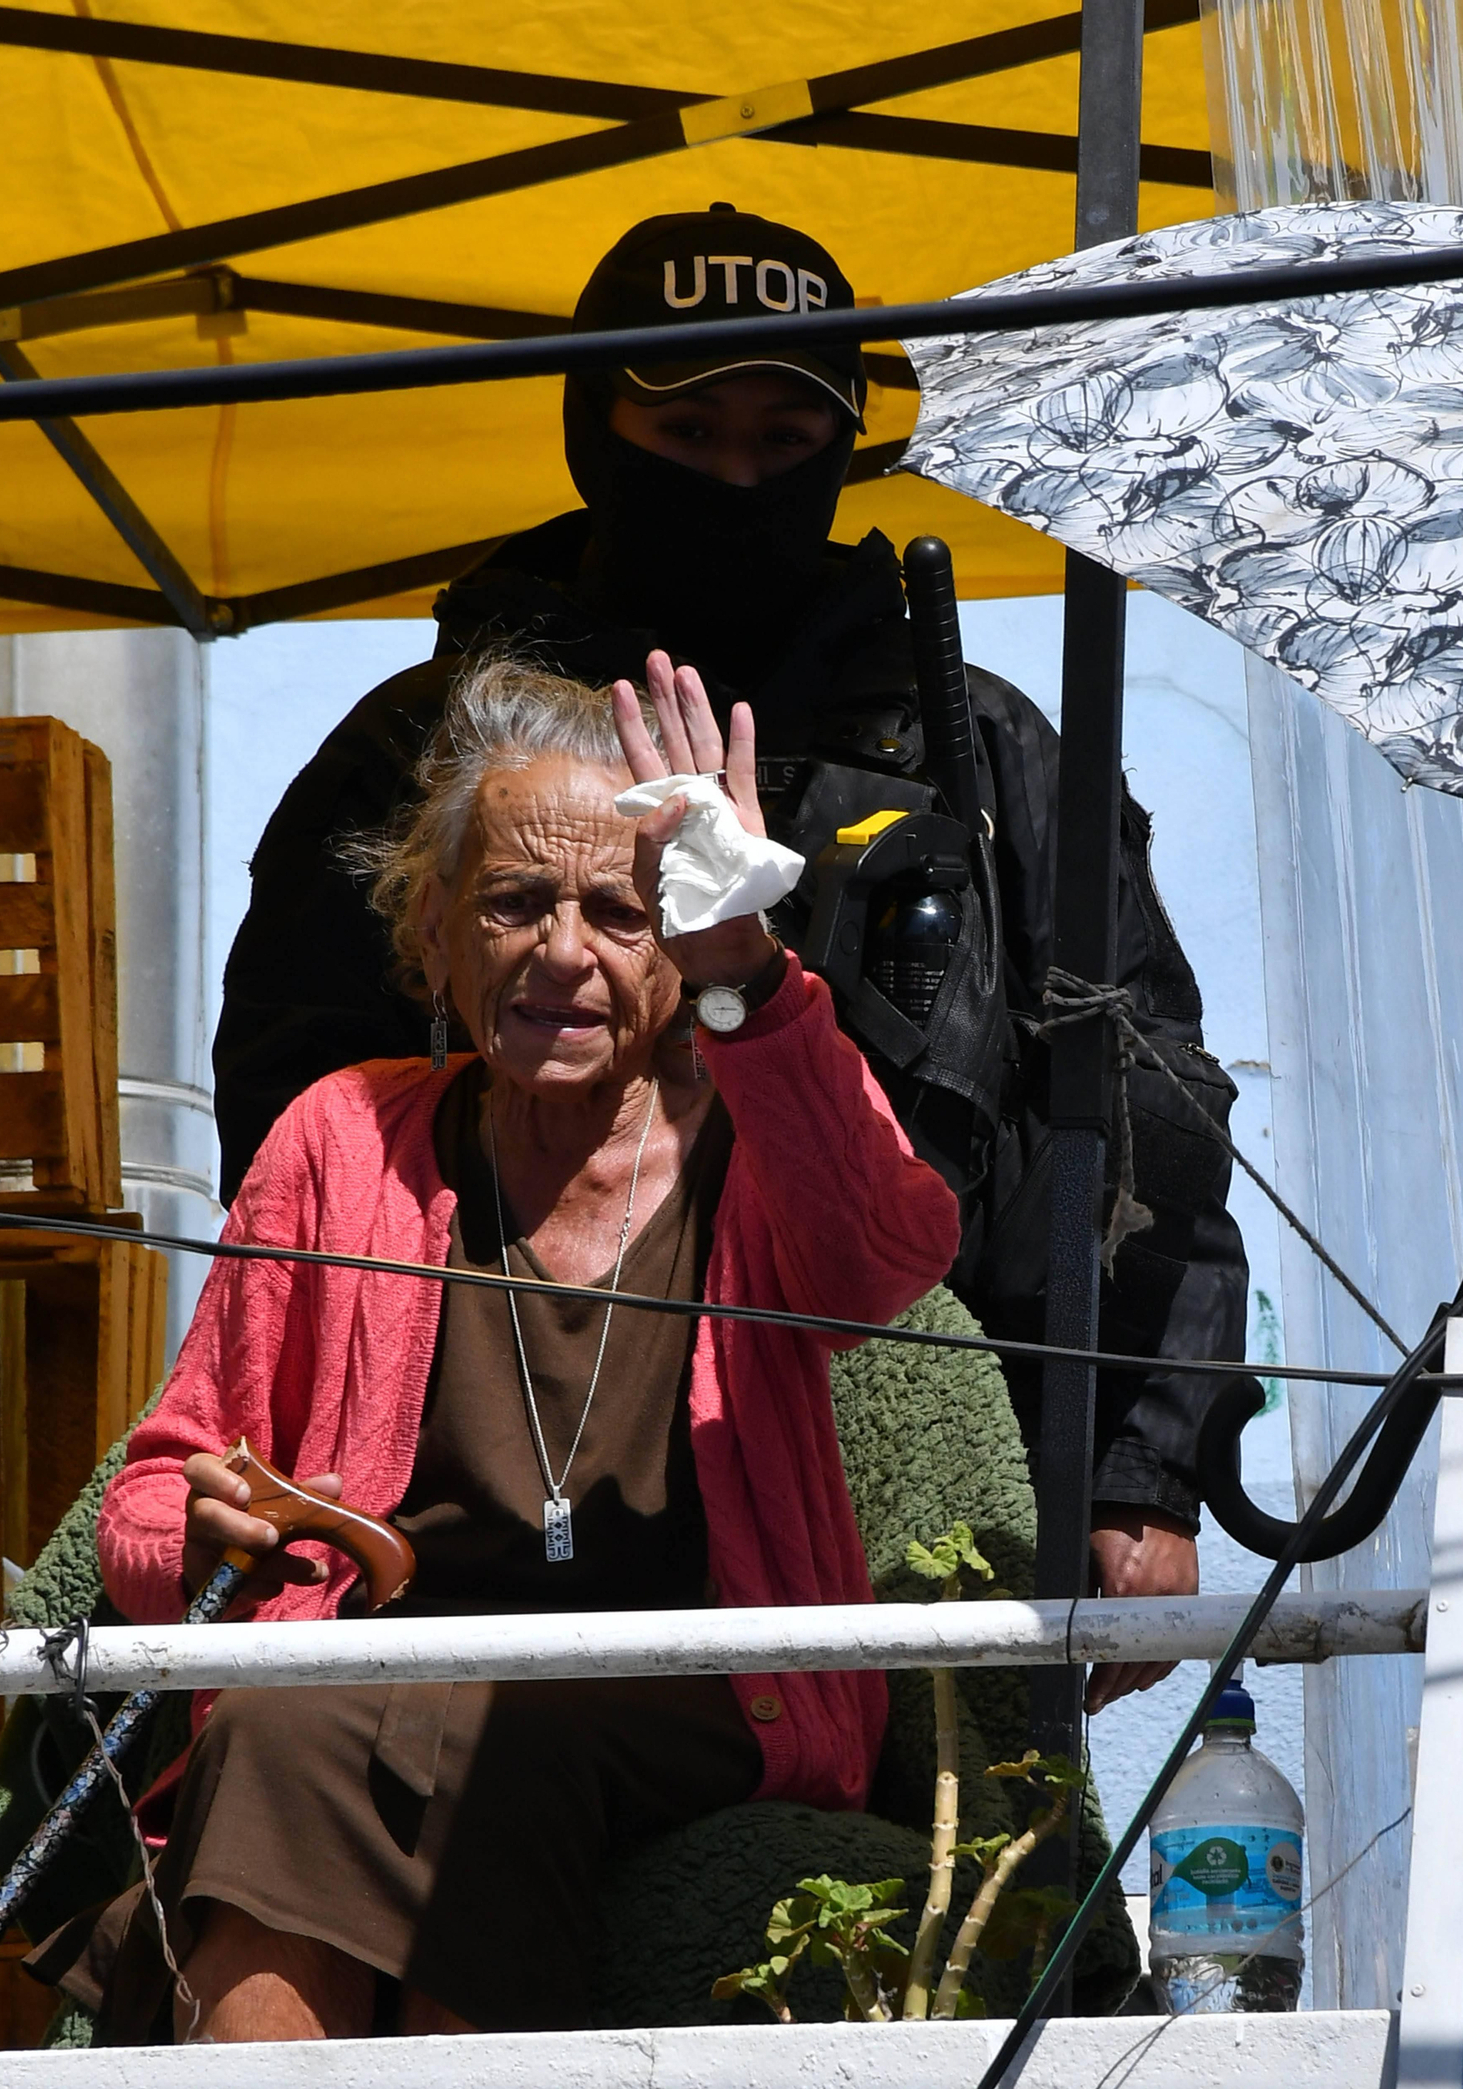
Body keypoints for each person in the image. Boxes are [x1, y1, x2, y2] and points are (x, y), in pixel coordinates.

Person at [213, 203, 1259, 1710]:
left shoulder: (983, 749)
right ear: (597, 436)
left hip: (927, 1501)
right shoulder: (414, 751)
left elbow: (1152, 1110)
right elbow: (291, 1130)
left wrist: (1145, 1475)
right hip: (499, 1492)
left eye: (785, 437)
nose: (738, 476)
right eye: (689, 430)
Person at [81, 659, 959, 2042]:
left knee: (495, 1729)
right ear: (434, 935)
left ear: (674, 938)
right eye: (513, 903)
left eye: (621, 910)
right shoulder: (338, 1141)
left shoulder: (753, 1144)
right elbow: (156, 1487)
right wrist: (195, 1531)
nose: (564, 950)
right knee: (264, 1717)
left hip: (703, 1691)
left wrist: (750, 968)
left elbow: (887, 1256)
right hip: (363, 1680)